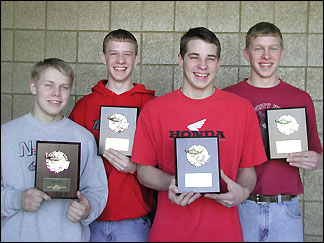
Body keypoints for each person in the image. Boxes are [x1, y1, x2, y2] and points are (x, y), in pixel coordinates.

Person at [130, 26, 268, 242]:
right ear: (180, 59)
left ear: (219, 63)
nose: (202, 66)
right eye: (194, 57)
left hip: (224, 233)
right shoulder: (155, 110)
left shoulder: (241, 109)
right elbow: (144, 171)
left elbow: (247, 170)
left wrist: (242, 191)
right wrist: (172, 182)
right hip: (170, 232)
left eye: (210, 58)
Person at [223, 22, 323, 242]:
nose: (266, 55)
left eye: (273, 48)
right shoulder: (227, 97)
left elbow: (317, 152)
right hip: (241, 207)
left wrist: (316, 161)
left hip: (285, 208)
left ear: (282, 53)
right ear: (246, 54)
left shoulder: (299, 98)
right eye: (259, 48)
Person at [1, 58, 108, 242]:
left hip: (68, 236)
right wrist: (17, 199)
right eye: (48, 85)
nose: (56, 93)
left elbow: (97, 190)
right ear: (33, 87)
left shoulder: (83, 138)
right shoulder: (6, 135)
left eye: (63, 87)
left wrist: (87, 209)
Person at [69, 29, 156, 242]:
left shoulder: (151, 106)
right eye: (113, 53)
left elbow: (166, 163)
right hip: (91, 217)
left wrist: (137, 169)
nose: (120, 60)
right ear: (103, 57)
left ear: (137, 59)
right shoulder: (85, 106)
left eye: (127, 54)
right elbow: (71, 159)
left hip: (134, 220)